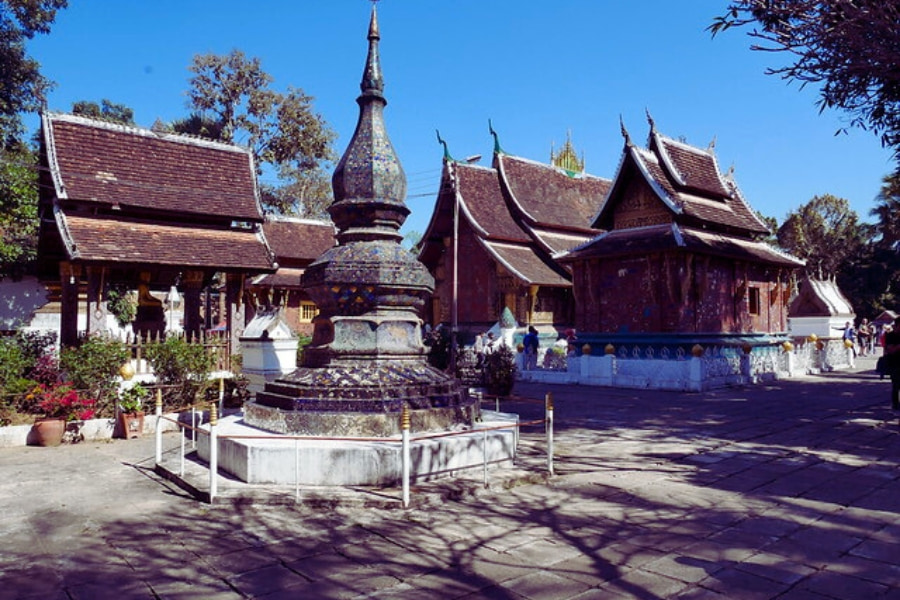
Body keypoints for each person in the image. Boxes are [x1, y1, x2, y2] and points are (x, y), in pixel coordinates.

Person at [884, 317, 900, 410]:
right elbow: (890, 350)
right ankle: (895, 404)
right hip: (895, 364)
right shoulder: (890, 336)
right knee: (896, 385)